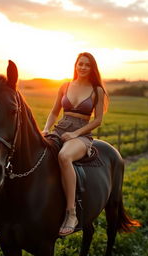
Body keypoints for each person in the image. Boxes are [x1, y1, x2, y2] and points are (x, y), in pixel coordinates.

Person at [42, 52, 108, 236]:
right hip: (60, 128)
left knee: (64, 156)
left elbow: (98, 120)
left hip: (82, 134)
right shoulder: (65, 85)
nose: (83, 68)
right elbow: (55, 112)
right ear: (76, 65)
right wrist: (46, 129)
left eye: (87, 65)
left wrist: (76, 134)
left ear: (92, 68)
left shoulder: (97, 90)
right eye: (81, 64)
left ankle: (71, 213)